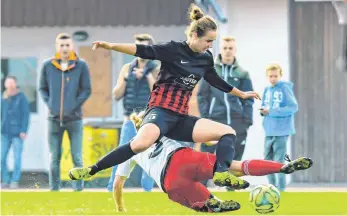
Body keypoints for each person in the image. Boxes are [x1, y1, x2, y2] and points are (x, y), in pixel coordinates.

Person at [69, 4, 261, 190]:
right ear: (195, 35)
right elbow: (141, 50)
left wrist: (241, 93)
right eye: (208, 40)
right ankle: (91, 170)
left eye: (212, 41)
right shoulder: (173, 49)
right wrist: (110, 46)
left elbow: (216, 81)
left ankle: (220, 173)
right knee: (141, 144)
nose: (210, 45)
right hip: (159, 112)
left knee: (228, 132)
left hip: (180, 119)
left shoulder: (206, 58)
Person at [112, 112, 313, 213]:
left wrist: (121, 209)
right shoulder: (160, 128)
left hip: (169, 182)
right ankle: (282, 166)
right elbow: (204, 137)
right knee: (235, 166)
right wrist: (219, 140)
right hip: (183, 158)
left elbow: (117, 185)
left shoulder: (129, 150)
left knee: (205, 204)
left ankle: (213, 203)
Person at [39, 33, 91, 191]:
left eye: (67, 45)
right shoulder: (47, 66)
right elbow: (43, 88)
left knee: (77, 157)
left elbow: (86, 89)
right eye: (61, 45)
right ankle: (54, 189)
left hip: (74, 119)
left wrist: (74, 105)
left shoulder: (81, 65)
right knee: (54, 157)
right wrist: (51, 104)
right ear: (57, 47)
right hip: (53, 119)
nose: (64, 48)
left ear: (72, 46)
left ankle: (78, 189)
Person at [106, 34, 158, 192]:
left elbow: (159, 94)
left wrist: (148, 77)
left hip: (149, 121)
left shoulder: (157, 69)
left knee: (149, 157)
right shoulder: (127, 68)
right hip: (129, 120)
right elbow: (116, 94)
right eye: (138, 47)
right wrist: (128, 79)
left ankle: (147, 191)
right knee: (121, 155)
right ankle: (111, 189)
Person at [198, 36, 254, 161]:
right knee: (207, 158)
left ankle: (230, 181)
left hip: (237, 122)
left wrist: (247, 121)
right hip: (214, 120)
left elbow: (248, 99)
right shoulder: (210, 71)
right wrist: (205, 118)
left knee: (234, 160)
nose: (228, 51)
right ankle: (206, 181)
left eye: (230, 48)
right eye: (225, 48)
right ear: (220, 50)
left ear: (235, 50)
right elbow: (202, 96)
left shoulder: (243, 74)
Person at [260, 63, 299, 191]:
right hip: (269, 130)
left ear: (280, 75)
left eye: (275, 76)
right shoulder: (266, 90)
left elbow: (293, 107)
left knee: (278, 162)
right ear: (267, 76)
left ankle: (281, 190)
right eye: (270, 76)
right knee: (266, 161)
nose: (273, 78)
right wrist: (263, 112)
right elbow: (265, 106)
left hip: (281, 131)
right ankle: (272, 187)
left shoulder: (285, 88)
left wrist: (271, 111)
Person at [1, 76, 30, 189]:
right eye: (8, 83)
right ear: (5, 85)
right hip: (4, 133)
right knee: (1, 158)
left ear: (15, 84)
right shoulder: (2, 98)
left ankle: (14, 180)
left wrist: (23, 130)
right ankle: (5, 180)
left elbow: (25, 115)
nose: (10, 85)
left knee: (17, 158)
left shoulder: (21, 98)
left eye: (12, 83)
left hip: (18, 133)